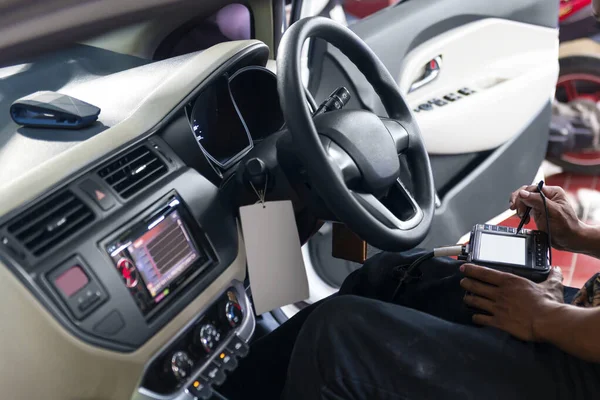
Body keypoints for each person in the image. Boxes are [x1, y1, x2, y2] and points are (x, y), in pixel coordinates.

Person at [222, 184, 600, 399]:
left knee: (335, 339)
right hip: (581, 318)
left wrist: (544, 317)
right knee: (394, 274)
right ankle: (239, 383)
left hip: (578, 367)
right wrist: (581, 235)